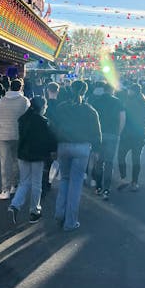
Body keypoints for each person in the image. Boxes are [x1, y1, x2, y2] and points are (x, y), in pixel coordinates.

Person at [52, 80, 102, 231]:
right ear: (85, 92)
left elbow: (53, 127)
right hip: (82, 148)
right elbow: (96, 132)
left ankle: (59, 213)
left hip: (63, 146)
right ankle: (70, 222)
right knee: (76, 184)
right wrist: (97, 149)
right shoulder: (90, 110)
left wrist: (54, 147)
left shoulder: (61, 108)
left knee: (65, 180)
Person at [8, 96, 57, 224]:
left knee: (24, 182)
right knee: (36, 184)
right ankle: (34, 211)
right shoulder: (43, 121)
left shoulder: (23, 119)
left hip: (23, 153)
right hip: (37, 156)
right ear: (42, 107)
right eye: (45, 106)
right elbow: (49, 139)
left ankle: (15, 204)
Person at [0, 78, 30, 200]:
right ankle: (14, 185)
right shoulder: (25, 101)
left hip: (3, 135)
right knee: (16, 161)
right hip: (18, 135)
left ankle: (5, 190)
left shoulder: (1, 101)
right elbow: (27, 120)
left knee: (4, 163)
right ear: (21, 87)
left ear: (10, 87)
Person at [90, 82, 125, 199]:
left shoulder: (96, 101)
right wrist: (118, 133)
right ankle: (106, 189)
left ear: (103, 90)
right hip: (112, 134)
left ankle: (98, 187)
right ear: (112, 90)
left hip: (99, 135)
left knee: (99, 162)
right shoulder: (117, 102)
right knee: (109, 162)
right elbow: (122, 118)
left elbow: (93, 119)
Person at [117, 83, 145, 191]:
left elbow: (124, 119)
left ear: (133, 91)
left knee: (121, 156)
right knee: (136, 159)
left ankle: (123, 178)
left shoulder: (128, 103)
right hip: (140, 135)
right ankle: (135, 182)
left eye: (129, 90)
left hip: (127, 135)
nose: (128, 92)